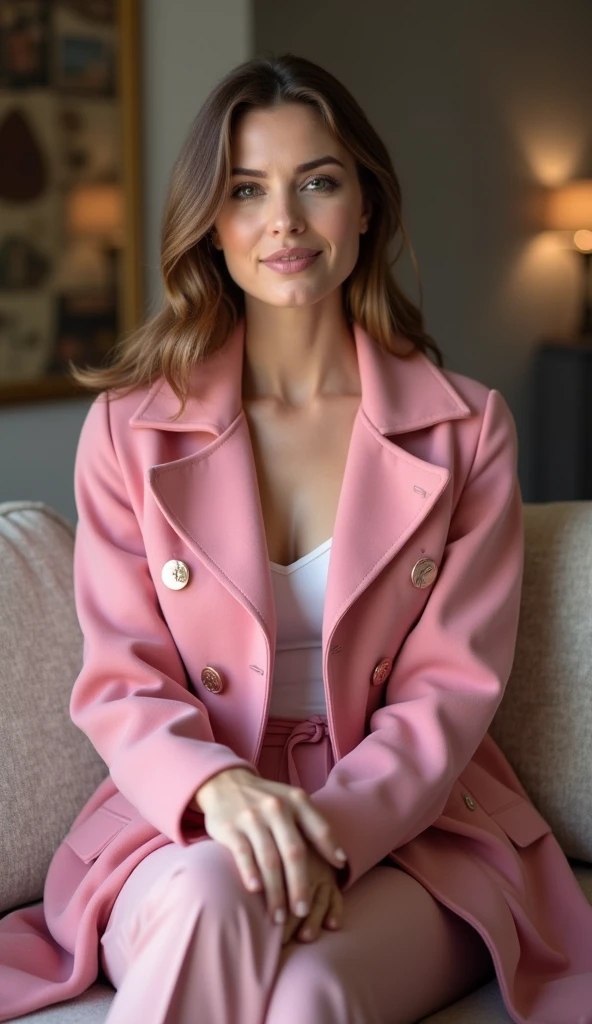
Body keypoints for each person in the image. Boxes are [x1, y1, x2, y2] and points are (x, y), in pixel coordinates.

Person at [2, 52, 592, 1024]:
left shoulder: (465, 429)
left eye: (317, 180)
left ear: (364, 204)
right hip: (184, 815)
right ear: (212, 226)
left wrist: (325, 833)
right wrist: (222, 791)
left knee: (312, 994)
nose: (284, 220)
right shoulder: (129, 431)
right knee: (206, 890)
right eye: (246, 190)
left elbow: (449, 694)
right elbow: (123, 679)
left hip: (409, 826)